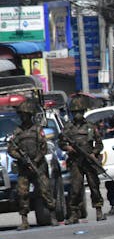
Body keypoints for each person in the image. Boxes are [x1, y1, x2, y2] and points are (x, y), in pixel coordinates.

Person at [8, 99, 56, 230]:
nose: (24, 118)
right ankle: (24, 220)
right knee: (22, 193)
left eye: (26, 115)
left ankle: (52, 216)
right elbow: (11, 149)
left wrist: (36, 160)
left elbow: (43, 148)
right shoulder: (18, 132)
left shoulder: (37, 130)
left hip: (38, 166)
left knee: (45, 190)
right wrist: (21, 158)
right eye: (22, 115)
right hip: (24, 168)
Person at [59, 96, 105, 223]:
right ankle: (74, 214)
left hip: (89, 162)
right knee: (75, 188)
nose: (77, 114)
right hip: (75, 162)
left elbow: (99, 144)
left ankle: (98, 211)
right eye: (75, 112)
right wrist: (68, 148)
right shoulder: (68, 128)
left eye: (80, 111)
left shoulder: (91, 127)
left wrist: (94, 153)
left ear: (84, 111)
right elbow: (61, 143)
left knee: (94, 186)